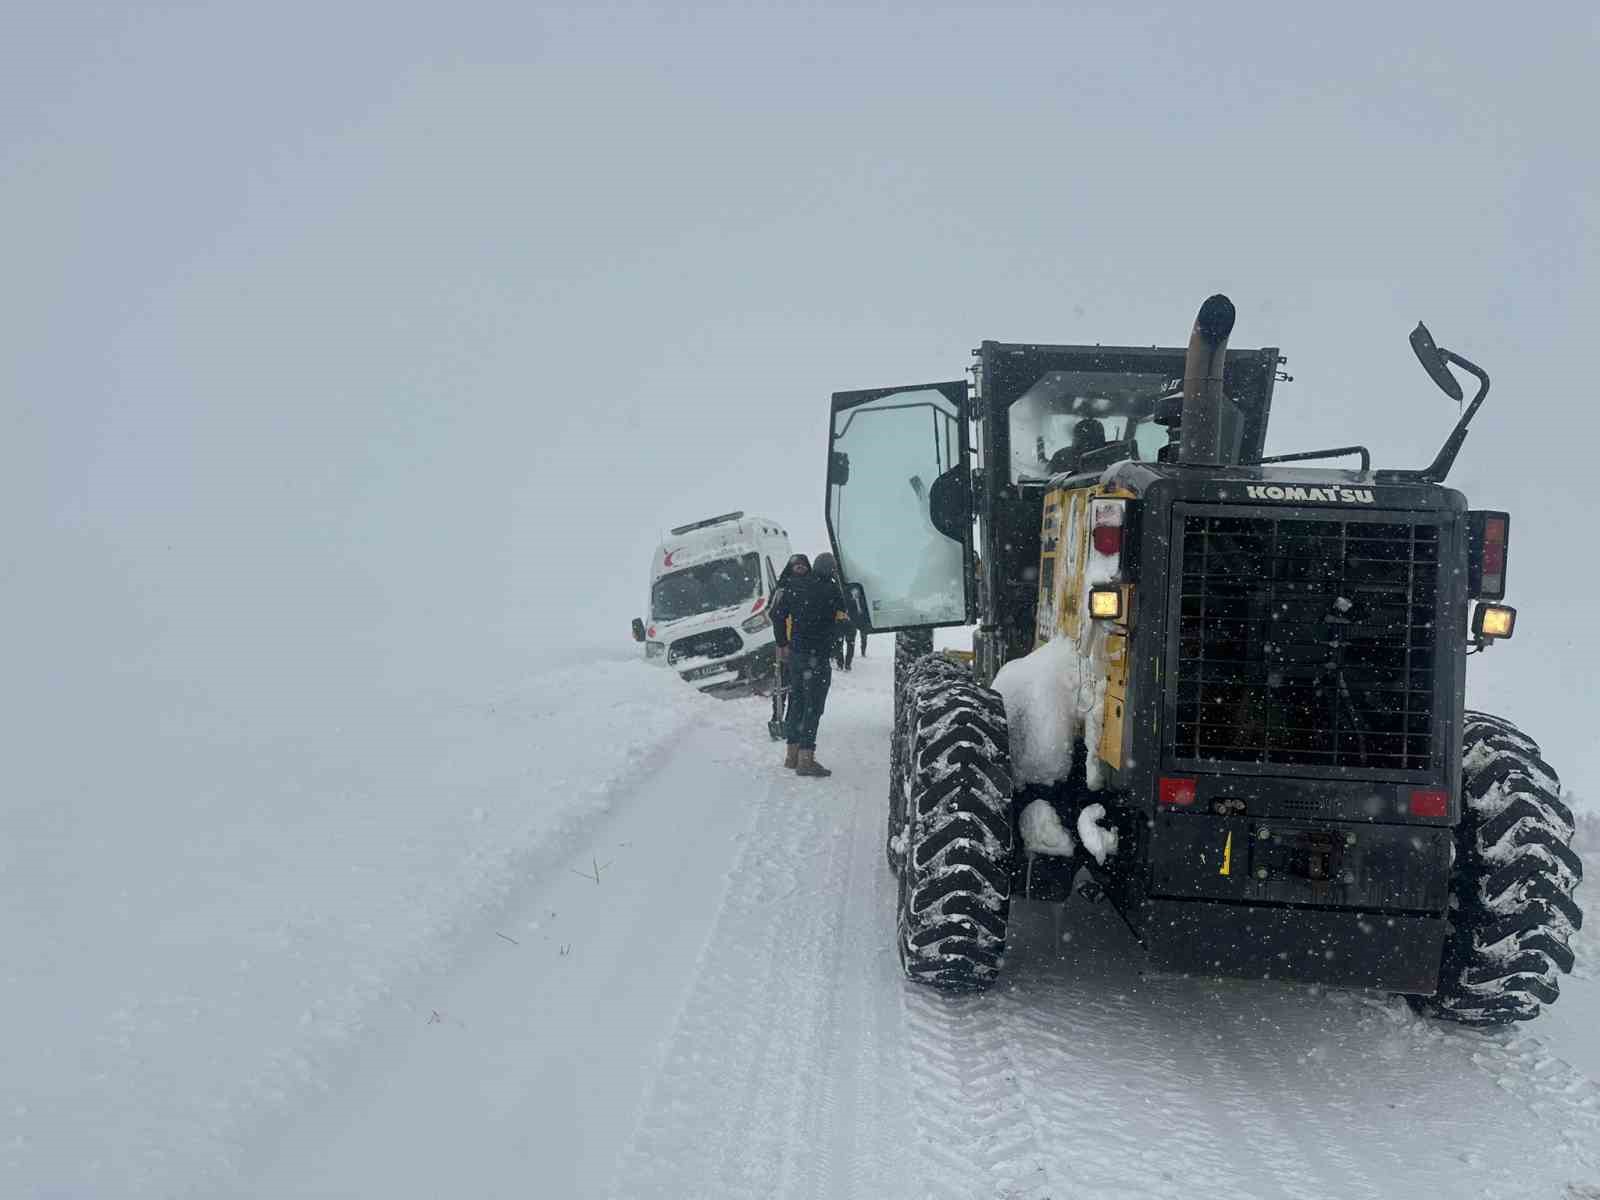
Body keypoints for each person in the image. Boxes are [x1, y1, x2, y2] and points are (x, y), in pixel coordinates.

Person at [770, 553, 847, 777]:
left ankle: (791, 756)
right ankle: (806, 759)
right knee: (814, 706)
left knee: (797, 702)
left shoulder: (794, 585)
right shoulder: (831, 590)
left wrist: (782, 642)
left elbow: (776, 614)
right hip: (817, 657)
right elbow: (846, 614)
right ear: (832, 571)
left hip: (796, 655)